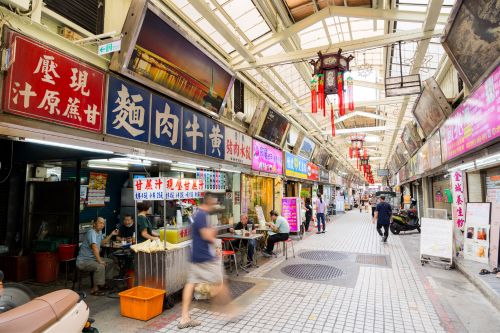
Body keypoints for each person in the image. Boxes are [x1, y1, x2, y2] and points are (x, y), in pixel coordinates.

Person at [178, 192, 234, 329]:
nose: (216, 204)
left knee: (191, 283)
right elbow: (207, 236)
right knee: (220, 282)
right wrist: (213, 231)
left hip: (196, 256)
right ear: (209, 201)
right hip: (205, 258)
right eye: (215, 202)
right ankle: (228, 311)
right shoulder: (202, 215)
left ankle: (184, 318)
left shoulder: (199, 214)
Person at [76, 217, 118, 296]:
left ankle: (102, 283)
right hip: (84, 261)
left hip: (92, 259)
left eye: (103, 223)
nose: (102, 225)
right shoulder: (91, 232)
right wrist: (100, 261)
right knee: (100, 266)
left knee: (111, 262)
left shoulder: (99, 232)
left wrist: (112, 234)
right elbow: (95, 248)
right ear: (94, 224)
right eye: (100, 223)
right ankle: (95, 289)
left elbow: (102, 242)